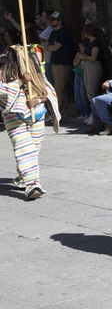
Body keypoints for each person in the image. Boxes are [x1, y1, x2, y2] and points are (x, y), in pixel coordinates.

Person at [1, 44, 58, 200]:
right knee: (24, 148)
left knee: (34, 148)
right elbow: (2, 94)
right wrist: (19, 82)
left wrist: (37, 100)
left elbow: (48, 93)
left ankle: (23, 175)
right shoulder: (4, 73)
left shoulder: (34, 69)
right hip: (13, 117)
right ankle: (32, 184)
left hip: (36, 114)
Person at [44, 12, 75, 116]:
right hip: (54, 63)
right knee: (57, 88)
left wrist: (51, 47)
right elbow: (47, 46)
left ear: (59, 21)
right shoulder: (53, 33)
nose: (51, 21)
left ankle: (56, 112)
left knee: (59, 89)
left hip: (62, 64)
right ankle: (61, 110)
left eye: (53, 20)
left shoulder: (64, 32)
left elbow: (54, 47)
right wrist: (50, 47)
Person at [73, 24, 103, 124]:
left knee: (91, 90)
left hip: (93, 66)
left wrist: (84, 57)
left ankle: (97, 116)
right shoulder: (88, 42)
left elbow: (94, 57)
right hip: (86, 66)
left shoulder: (96, 43)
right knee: (87, 91)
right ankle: (92, 114)